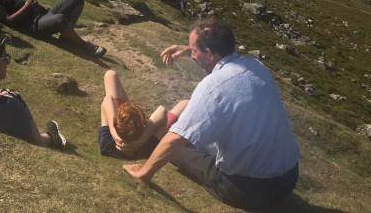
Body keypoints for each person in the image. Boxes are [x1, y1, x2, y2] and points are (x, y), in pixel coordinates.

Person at [123, 18, 300, 210]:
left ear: (208, 52)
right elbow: (223, 63)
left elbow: (176, 139)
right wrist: (188, 49)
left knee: (168, 139)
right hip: (289, 178)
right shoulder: (255, 65)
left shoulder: (212, 87)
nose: (191, 55)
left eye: (194, 50)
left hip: (250, 190)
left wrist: (143, 172)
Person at [98, 69, 188, 160]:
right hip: (156, 130)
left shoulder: (107, 145)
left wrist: (115, 134)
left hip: (129, 134)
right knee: (185, 103)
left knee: (110, 75)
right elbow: (162, 111)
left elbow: (107, 100)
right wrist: (141, 140)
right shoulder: (147, 146)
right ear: (144, 125)